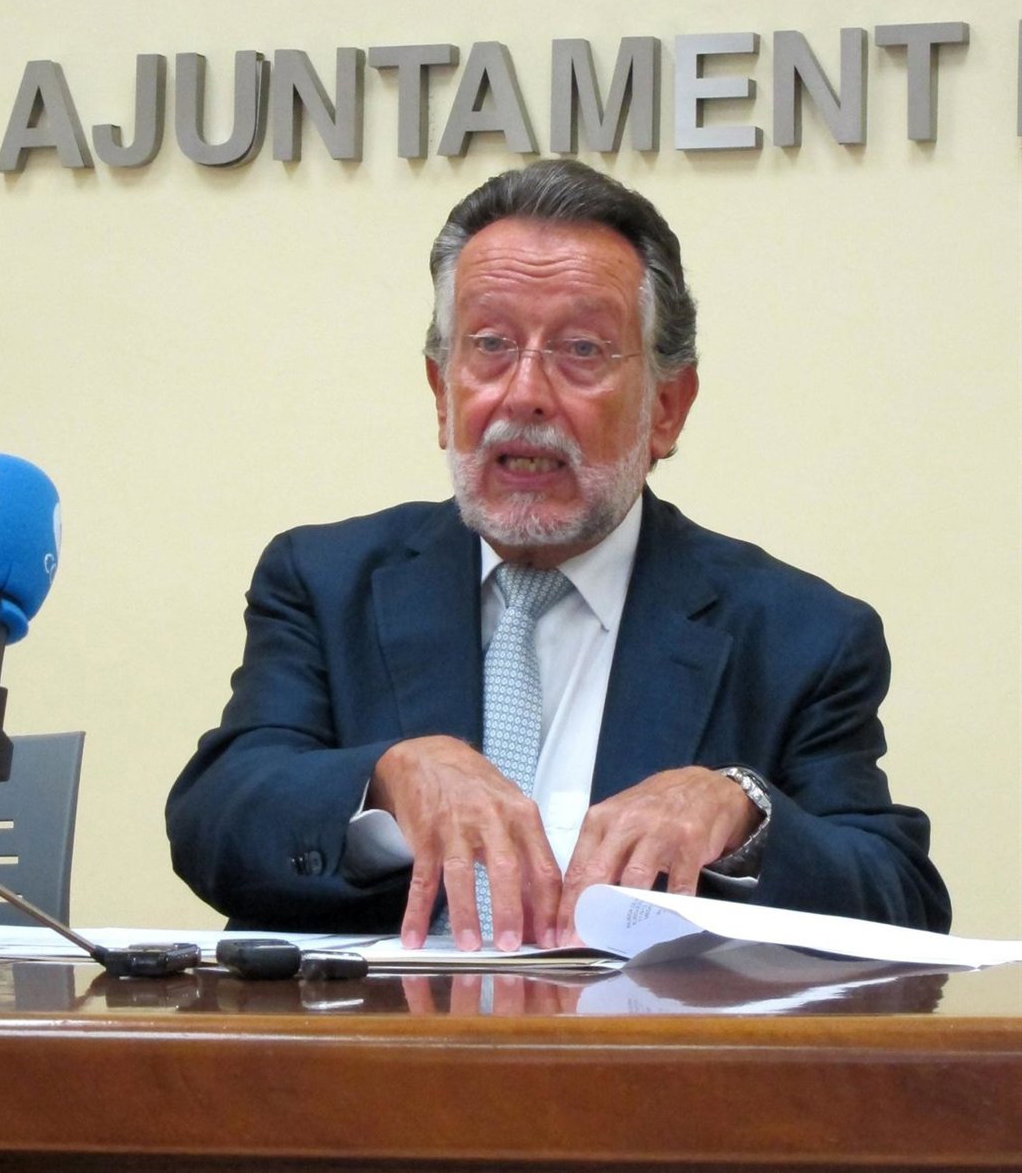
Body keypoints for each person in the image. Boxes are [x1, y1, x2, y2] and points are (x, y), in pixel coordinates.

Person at [166, 159, 951, 950]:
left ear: (667, 408)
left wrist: (745, 814)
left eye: (582, 348)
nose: (525, 394)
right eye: (490, 345)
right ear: (441, 392)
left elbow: (899, 898)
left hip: (634, 1033)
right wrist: (383, 779)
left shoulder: (797, 635)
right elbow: (215, 820)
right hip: (380, 1030)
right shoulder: (325, 581)